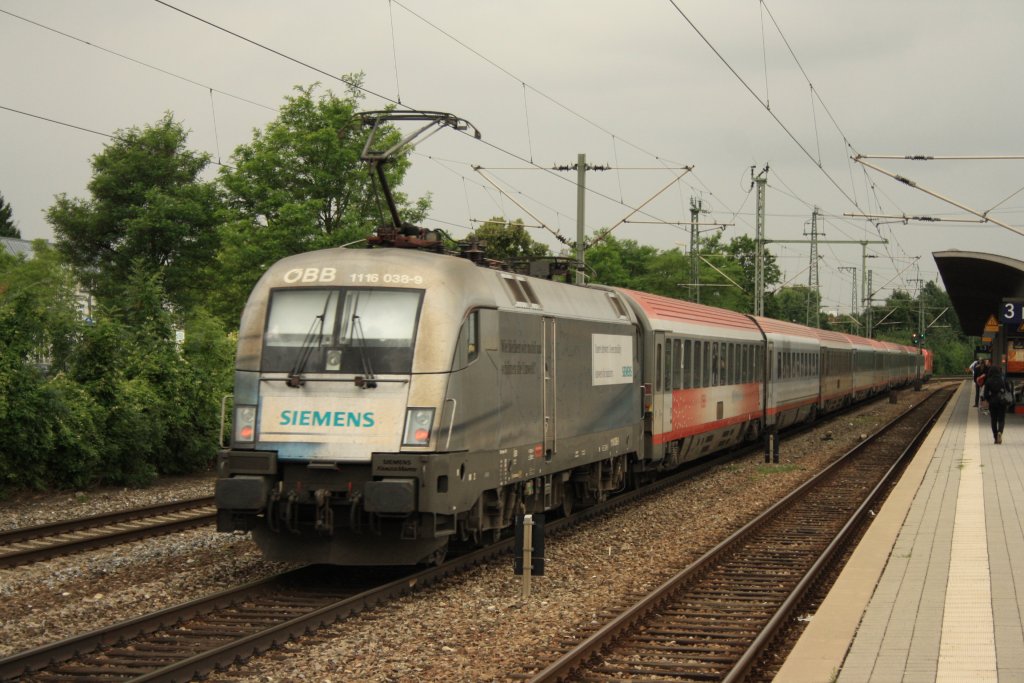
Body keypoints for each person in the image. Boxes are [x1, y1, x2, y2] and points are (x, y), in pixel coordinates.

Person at [982, 365, 1013, 444]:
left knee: (993, 420)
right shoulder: (1002, 379)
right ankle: (1000, 432)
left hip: (993, 402)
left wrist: (989, 399)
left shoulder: (988, 381)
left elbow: (985, 394)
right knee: (1001, 419)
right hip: (1002, 402)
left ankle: (995, 437)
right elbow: (1008, 390)